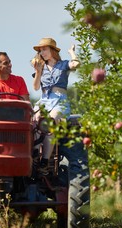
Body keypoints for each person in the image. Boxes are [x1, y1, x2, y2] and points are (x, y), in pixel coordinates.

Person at [31, 37, 80, 175]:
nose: (42, 53)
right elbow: (35, 88)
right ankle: (35, 151)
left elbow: (76, 64)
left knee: (51, 123)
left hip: (59, 100)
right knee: (34, 121)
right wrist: (39, 72)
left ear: (52, 50)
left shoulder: (63, 65)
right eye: (40, 50)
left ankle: (44, 162)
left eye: (45, 49)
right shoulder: (41, 67)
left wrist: (71, 53)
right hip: (44, 100)